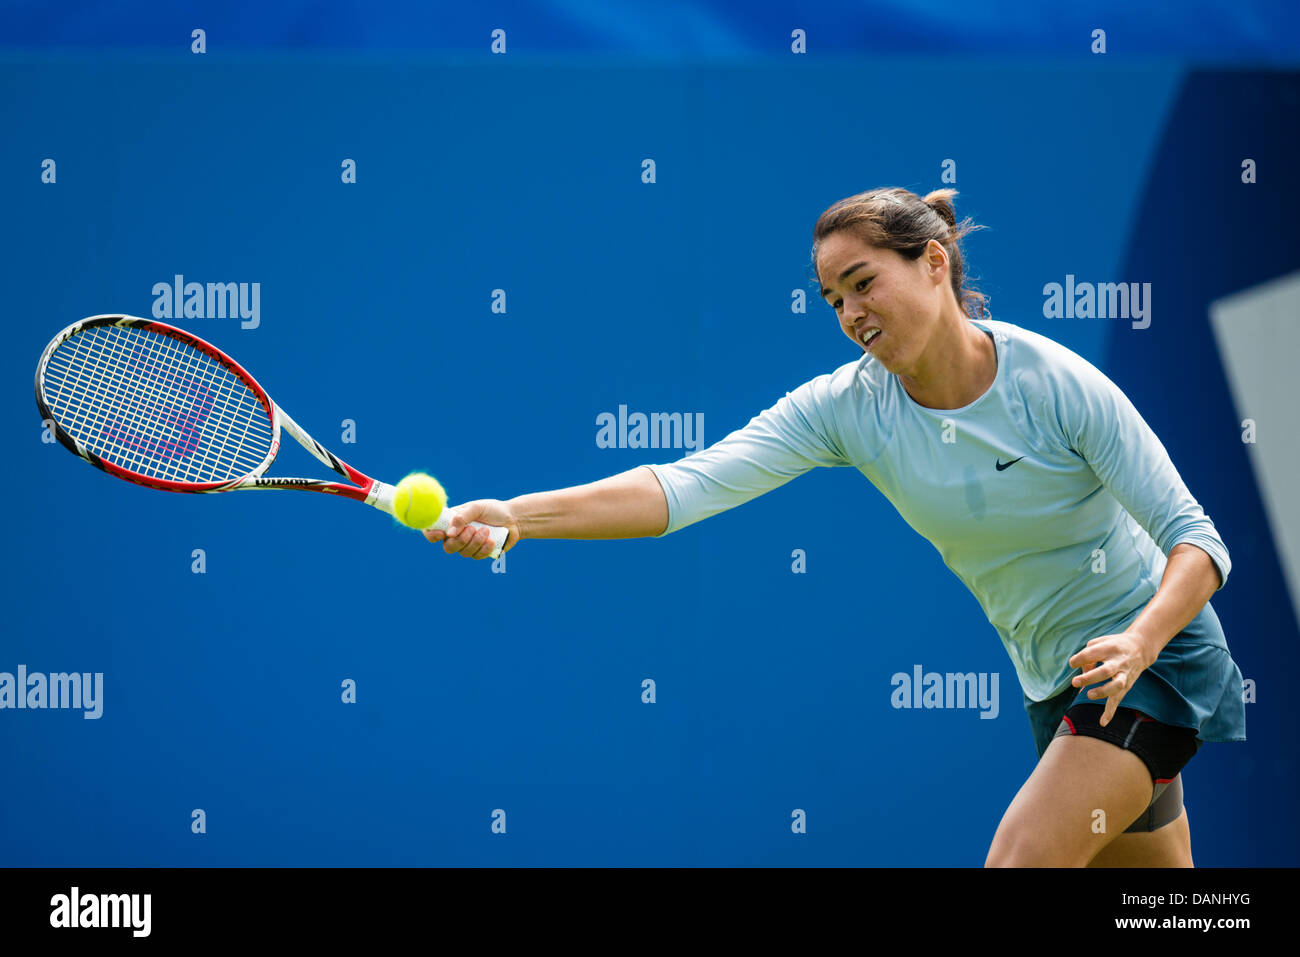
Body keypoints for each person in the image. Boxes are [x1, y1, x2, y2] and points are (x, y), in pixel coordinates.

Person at [425, 186, 1246, 867]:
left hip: (1156, 654)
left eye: (863, 282)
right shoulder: (845, 409)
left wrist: (1138, 641)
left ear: (933, 264)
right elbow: (683, 486)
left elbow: (1198, 540)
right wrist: (518, 517)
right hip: (1057, 677)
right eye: (833, 298)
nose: (850, 311)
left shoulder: (1056, 384)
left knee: (1019, 861)